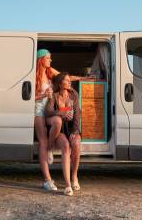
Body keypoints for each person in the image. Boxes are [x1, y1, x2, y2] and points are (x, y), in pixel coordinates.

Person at [34, 49, 88, 192]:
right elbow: (27, 97)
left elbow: (66, 78)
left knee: (58, 121)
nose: (50, 60)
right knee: (43, 142)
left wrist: (84, 78)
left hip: (51, 109)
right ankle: (47, 180)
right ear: (41, 60)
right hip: (39, 110)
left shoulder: (49, 72)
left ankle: (51, 147)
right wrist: (43, 95)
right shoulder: (35, 75)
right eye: (48, 58)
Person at [45, 72, 82, 196]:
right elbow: (48, 112)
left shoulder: (74, 95)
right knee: (66, 146)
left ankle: (74, 176)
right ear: (60, 83)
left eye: (69, 80)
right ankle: (67, 185)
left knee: (76, 143)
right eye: (66, 80)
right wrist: (62, 112)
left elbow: (77, 114)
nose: (69, 82)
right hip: (60, 130)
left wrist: (75, 131)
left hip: (71, 128)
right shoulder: (54, 96)